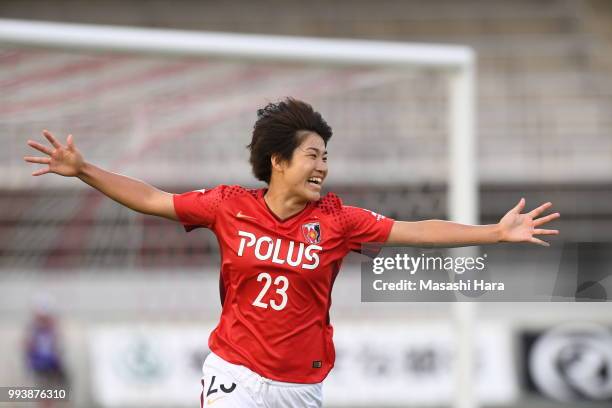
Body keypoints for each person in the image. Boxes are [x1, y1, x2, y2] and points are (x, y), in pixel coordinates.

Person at [24, 98, 560, 407]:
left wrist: (493, 233)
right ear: (278, 160)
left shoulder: (339, 221)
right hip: (235, 370)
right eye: (312, 154)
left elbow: (415, 230)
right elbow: (152, 199)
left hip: (301, 384)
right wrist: (85, 170)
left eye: (326, 156)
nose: (323, 165)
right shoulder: (227, 205)